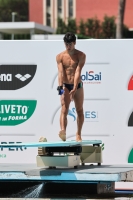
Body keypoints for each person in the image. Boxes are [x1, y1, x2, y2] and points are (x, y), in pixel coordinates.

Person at [56, 32, 86, 142]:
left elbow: (78, 71)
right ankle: (63, 131)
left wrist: (74, 87)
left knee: (79, 110)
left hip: (77, 85)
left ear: (75, 43)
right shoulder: (60, 56)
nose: (68, 47)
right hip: (65, 85)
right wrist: (60, 87)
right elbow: (60, 73)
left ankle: (78, 134)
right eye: (66, 44)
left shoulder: (81, 55)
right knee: (64, 109)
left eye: (70, 44)